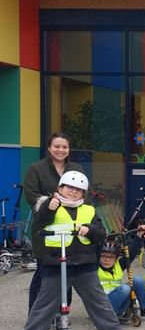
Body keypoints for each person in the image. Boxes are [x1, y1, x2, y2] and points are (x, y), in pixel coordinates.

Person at [18, 171, 131, 330]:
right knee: (44, 302)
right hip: (55, 263)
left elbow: (101, 234)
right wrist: (49, 207)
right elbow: (39, 226)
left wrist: (90, 230)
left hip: (84, 263)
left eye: (78, 189)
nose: (73, 192)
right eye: (69, 187)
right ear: (60, 188)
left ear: (83, 193)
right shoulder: (49, 205)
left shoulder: (89, 210)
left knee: (97, 299)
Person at [23, 132, 84, 312]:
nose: (60, 150)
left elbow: (85, 192)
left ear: (69, 149)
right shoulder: (36, 168)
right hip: (46, 228)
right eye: (56, 146)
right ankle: (35, 314)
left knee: (68, 271)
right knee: (44, 272)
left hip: (70, 227)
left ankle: (61, 314)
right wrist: (51, 202)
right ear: (49, 148)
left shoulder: (76, 168)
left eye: (64, 147)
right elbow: (31, 195)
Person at [97, 240, 145, 322]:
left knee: (137, 280)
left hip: (118, 305)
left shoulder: (118, 265)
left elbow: (130, 254)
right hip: (102, 308)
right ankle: (104, 319)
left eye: (111, 257)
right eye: (103, 256)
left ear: (116, 258)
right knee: (125, 288)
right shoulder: (93, 268)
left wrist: (138, 236)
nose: (107, 260)